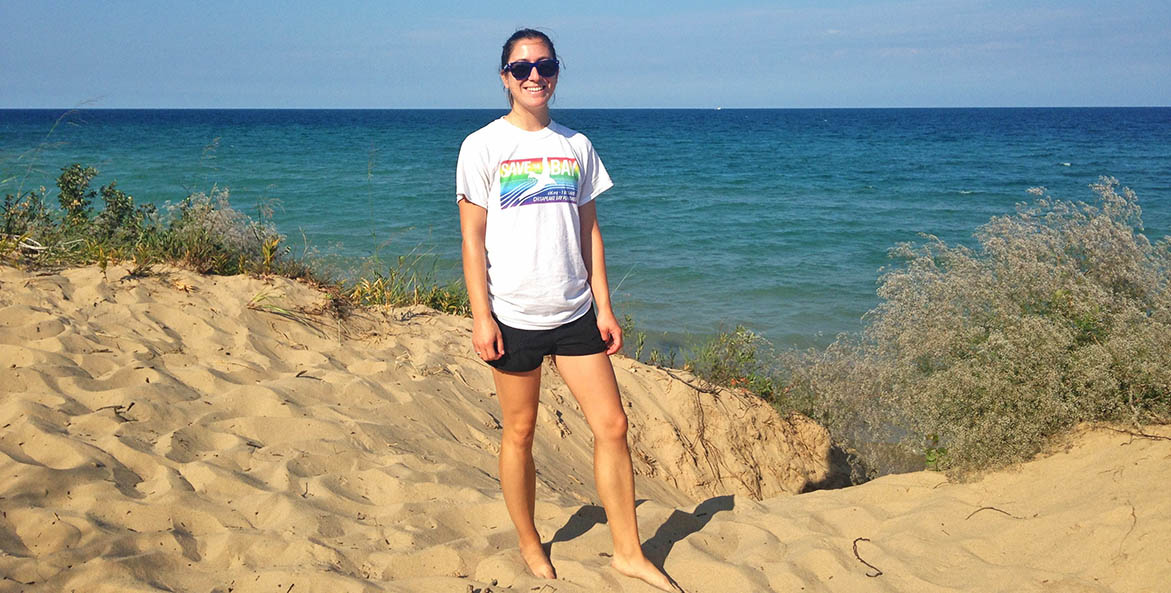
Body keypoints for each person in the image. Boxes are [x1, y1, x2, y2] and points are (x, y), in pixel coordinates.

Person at [455, 28, 679, 593]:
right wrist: (482, 317)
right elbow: (472, 241)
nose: (535, 76)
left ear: (557, 72)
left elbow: (590, 232)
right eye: (522, 67)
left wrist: (605, 306)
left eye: (545, 65)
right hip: (513, 315)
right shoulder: (481, 146)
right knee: (521, 432)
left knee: (613, 425)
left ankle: (628, 552)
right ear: (504, 76)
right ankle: (530, 542)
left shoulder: (577, 145)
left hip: (575, 311)